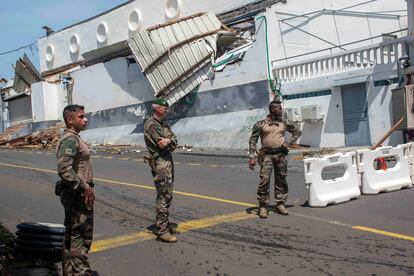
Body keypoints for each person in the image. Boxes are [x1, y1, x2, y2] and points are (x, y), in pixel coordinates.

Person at [56, 104, 95, 275]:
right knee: (81, 238)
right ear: (70, 120)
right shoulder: (70, 139)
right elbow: (64, 169)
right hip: (78, 194)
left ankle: (70, 272)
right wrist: (84, 187)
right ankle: (81, 272)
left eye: (85, 116)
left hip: (76, 192)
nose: (85, 119)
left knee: (71, 236)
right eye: (81, 117)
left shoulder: (74, 137)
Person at [248, 100, 302, 218]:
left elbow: (297, 131)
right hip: (266, 155)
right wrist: (252, 157)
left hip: (280, 155)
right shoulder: (260, 124)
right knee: (264, 181)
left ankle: (280, 204)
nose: (281, 110)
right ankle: (263, 206)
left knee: (281, 179)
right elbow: (252, 141)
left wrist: (289, 143)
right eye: (279, 109)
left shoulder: (284, 122)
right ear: (272, 110)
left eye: (281, 108)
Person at [144, 98, 178, 243]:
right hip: (160, 163)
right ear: (157, 108)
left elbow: (173, 141)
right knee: (163, 196)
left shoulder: (162, 124)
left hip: (166, 162)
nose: (167, 110)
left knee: (167, 195)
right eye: (165, 108)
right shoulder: (151, 125)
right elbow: (164, 145)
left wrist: (170, 140)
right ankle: (162, 230)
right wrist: (170, 141)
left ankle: (164, 224)